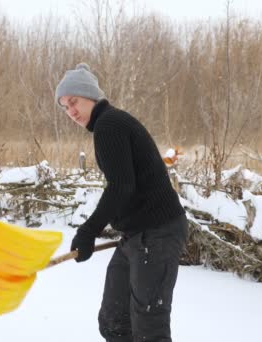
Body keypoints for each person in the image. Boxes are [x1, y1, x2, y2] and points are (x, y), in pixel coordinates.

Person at [55, 62, 188, 342]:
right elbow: (127, 184)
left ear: (91, 96)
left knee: (148, 329)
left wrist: (88, 231)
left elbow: (121, 187)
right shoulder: (107, 124)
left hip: (158, 234)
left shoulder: (110, 125)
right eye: (65, 107)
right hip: (136, 237)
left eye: (74, 102)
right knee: (114, 320)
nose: (71, 112)